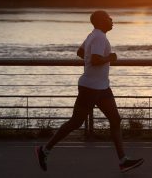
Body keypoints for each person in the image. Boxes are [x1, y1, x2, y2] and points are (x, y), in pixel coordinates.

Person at [35, 10, 144, 173]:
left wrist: (91, 62)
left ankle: (123, 161)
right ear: (101, 21)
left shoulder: (93, 35)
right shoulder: (99, 37)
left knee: (115, 119)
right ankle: (45, 150)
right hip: (91, 87)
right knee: (76, 122)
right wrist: (110, 58)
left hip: (101, 86)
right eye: (108, 18)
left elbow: (81, 52)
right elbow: (94, 59)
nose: (112, 20)